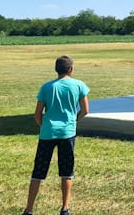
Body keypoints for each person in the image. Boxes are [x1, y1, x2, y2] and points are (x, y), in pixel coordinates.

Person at [23, 55, 90, 215]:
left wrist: (43, 125)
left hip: (47, 133)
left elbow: (37, 113)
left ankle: (29, 209)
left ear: (56, 69)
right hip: (67, 133)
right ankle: (65, 208)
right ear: (71, 69)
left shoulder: (46, 87)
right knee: (66, 171)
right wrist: (74, 121)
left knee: (38, 172)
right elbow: (85, 110)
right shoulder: (79, 85)